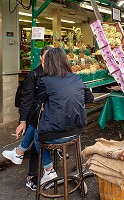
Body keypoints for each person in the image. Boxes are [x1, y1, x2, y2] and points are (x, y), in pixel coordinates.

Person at [3, 48, 94, 185]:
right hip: (76, 132)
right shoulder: (77, 78)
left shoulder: (45, 81)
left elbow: (36, 107)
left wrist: (24, 121)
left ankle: (46, 168)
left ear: (49, 62)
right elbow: (90, 98)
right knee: (38, 126)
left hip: (55, 134)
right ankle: (19, 153)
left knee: (36, 129)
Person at [2, 46, 51, 191]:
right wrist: (22, 121)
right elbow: (26, 100)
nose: (49, 59)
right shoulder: (33, 75)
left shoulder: (54, 73)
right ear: (41, 57)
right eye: (46, 56)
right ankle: (32, 176)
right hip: (33, 116)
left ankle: (20, 153)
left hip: (47, 117)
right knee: (37, 147)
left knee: (41, 144)